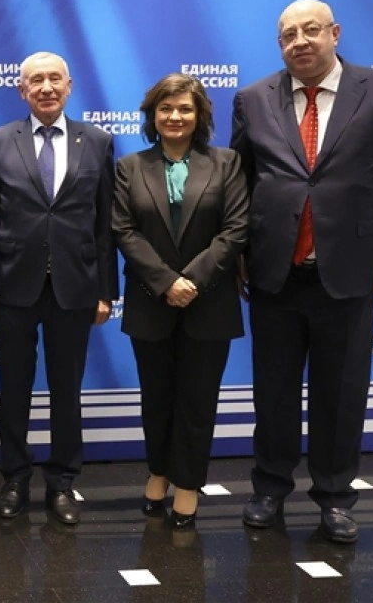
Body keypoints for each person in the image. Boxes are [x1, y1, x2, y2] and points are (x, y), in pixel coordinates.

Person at [231, 0, 373, 543]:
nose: (300, 41)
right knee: (273, 391)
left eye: (310, 30)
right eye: (288, 35)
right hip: (274, 271)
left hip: (351, 270)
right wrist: (239, 254)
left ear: (335, 32)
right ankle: (269, 488)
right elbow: (239, 182)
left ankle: (335, 497)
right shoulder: (252, 99)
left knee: (341, 393)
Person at [0, 51, 117, 525]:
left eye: (54, 79)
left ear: (69, 85)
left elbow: (105, 224)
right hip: (12, 287)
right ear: (21, 90)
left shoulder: (97, 141)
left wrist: (106, 290)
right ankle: (14, 478)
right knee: (13, 390)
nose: (46, 87)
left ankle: (62, 481)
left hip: (75, 287)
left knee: (67, 391)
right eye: (35, 80)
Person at [113, 73, 249, 527]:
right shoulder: (130, 166)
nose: (175, 116)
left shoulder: (226, 163)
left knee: (197, 399)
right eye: (166, 108)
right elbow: (123, 230)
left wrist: (191, 280)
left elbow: (236, 229)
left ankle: (187, 484)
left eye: (185, 109)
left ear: (200, 115)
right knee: (156, 399)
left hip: (209, 301)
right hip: (150, 300)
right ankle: (158, 472)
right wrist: (166, 282)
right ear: (153, 115)